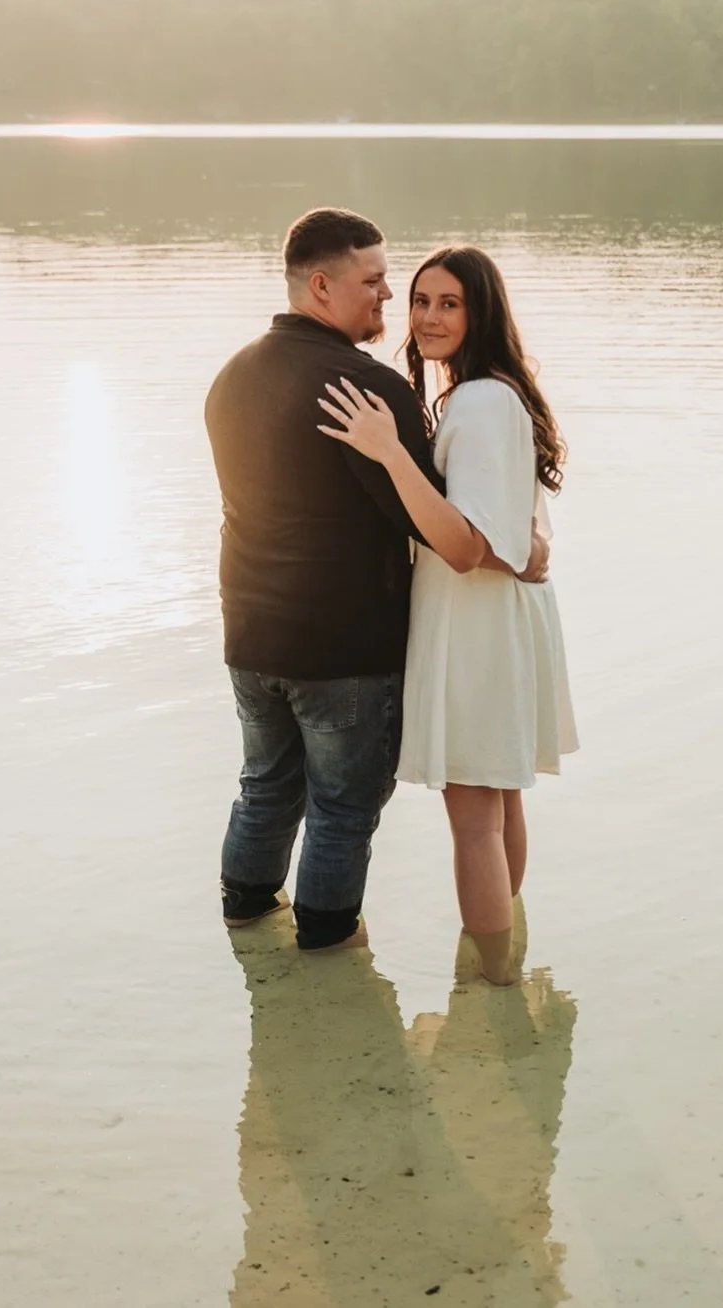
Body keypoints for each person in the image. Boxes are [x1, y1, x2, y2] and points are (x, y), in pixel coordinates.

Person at [205, 208, 548, 953]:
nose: (389, 300)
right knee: (341, 807)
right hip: (342, 651)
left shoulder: (229, 376)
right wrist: (523, 546)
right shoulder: (367, 391)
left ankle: (244, 917)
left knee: (265, 785)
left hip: (249, 634)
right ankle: (327, 947)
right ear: (321, 285)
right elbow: (445, 524)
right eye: (377, 282)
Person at [318, 244, 578, 985]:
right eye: (420, 301)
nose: (428, 317)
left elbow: (465, 545)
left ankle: (488, 984)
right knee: (497, 803)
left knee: (473, 818)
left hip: (476, 626)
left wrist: (390, 452)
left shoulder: (477, 400)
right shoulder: (493, 394)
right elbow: (510, 529)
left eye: (448, 304)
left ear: (480, 313)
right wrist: (526, 549)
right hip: (499, 618)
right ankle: (505, 963)